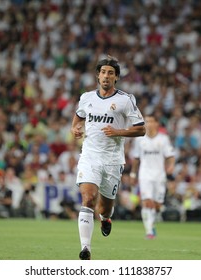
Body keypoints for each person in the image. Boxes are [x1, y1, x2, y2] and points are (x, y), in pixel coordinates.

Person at [71, 56, 146, 260]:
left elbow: (141, 130)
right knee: (88, 198)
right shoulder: (86, 97)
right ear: (98, 75)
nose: (106, 76)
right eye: (103, 72)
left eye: (110, 73)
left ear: (116, 78)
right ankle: (85, 248)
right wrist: (75, 127)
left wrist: (118, 132)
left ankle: (105, 218)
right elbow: (79, 116)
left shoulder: (125, 100)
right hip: (90, 156)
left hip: (113, 160)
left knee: (105, 207)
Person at [130, 114, 175, 239]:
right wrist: (133, 174)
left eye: (151, 121)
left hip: (159, 175)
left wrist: (171, 166)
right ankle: (149, 231)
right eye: (146, 121)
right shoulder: (139, 140)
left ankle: (152, 223)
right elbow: (136, 159)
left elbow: (170, 156)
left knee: (157, 205)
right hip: (144, 174)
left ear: (156, 124)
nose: (148, 124)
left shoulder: (163, 139)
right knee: (147, 202)